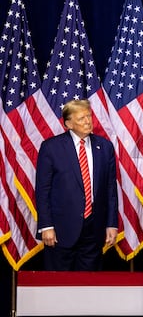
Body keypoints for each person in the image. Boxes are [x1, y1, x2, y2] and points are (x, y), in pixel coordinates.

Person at [35, 99, 118, 271]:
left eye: (89, 116)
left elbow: (110, 190)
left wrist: (111, 224)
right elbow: (43, 191)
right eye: (81, 118)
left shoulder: (105, 147)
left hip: (93, 230)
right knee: (58, 286)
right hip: (59, 231)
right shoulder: (51, 147)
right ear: (68, 124)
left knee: (88, 287)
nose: (88, 121)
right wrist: (46, 226)